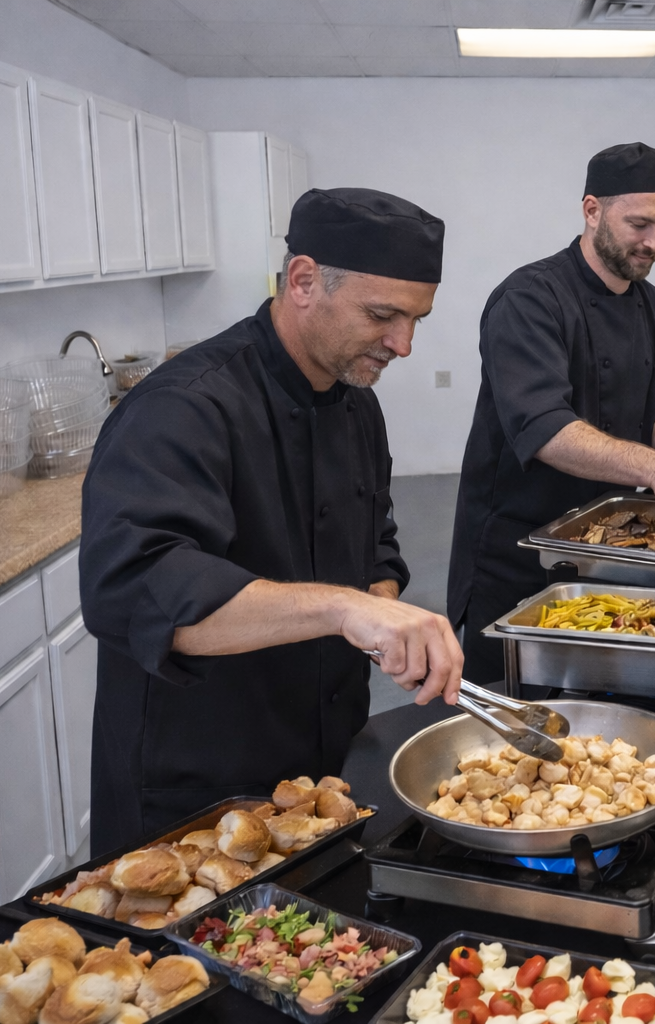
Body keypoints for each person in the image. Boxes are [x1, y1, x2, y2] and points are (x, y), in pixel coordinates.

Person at [80, 188, 464, 854]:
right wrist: (345, 610)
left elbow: (376, 544)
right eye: (382, 315)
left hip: (323, 768)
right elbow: (137, 590)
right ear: (304, 281)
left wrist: (384, 615)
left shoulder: (355, 401)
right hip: (196, 789)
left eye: (415, 320)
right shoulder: (184, 407)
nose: (402, 345)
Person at [449, 142, 655, 683]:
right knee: (519, 708)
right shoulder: (529, 299)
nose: (654, 242)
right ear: (592, 210)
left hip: (611, 546)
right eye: (639, 224)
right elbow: (547, 430)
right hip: (522, 554)